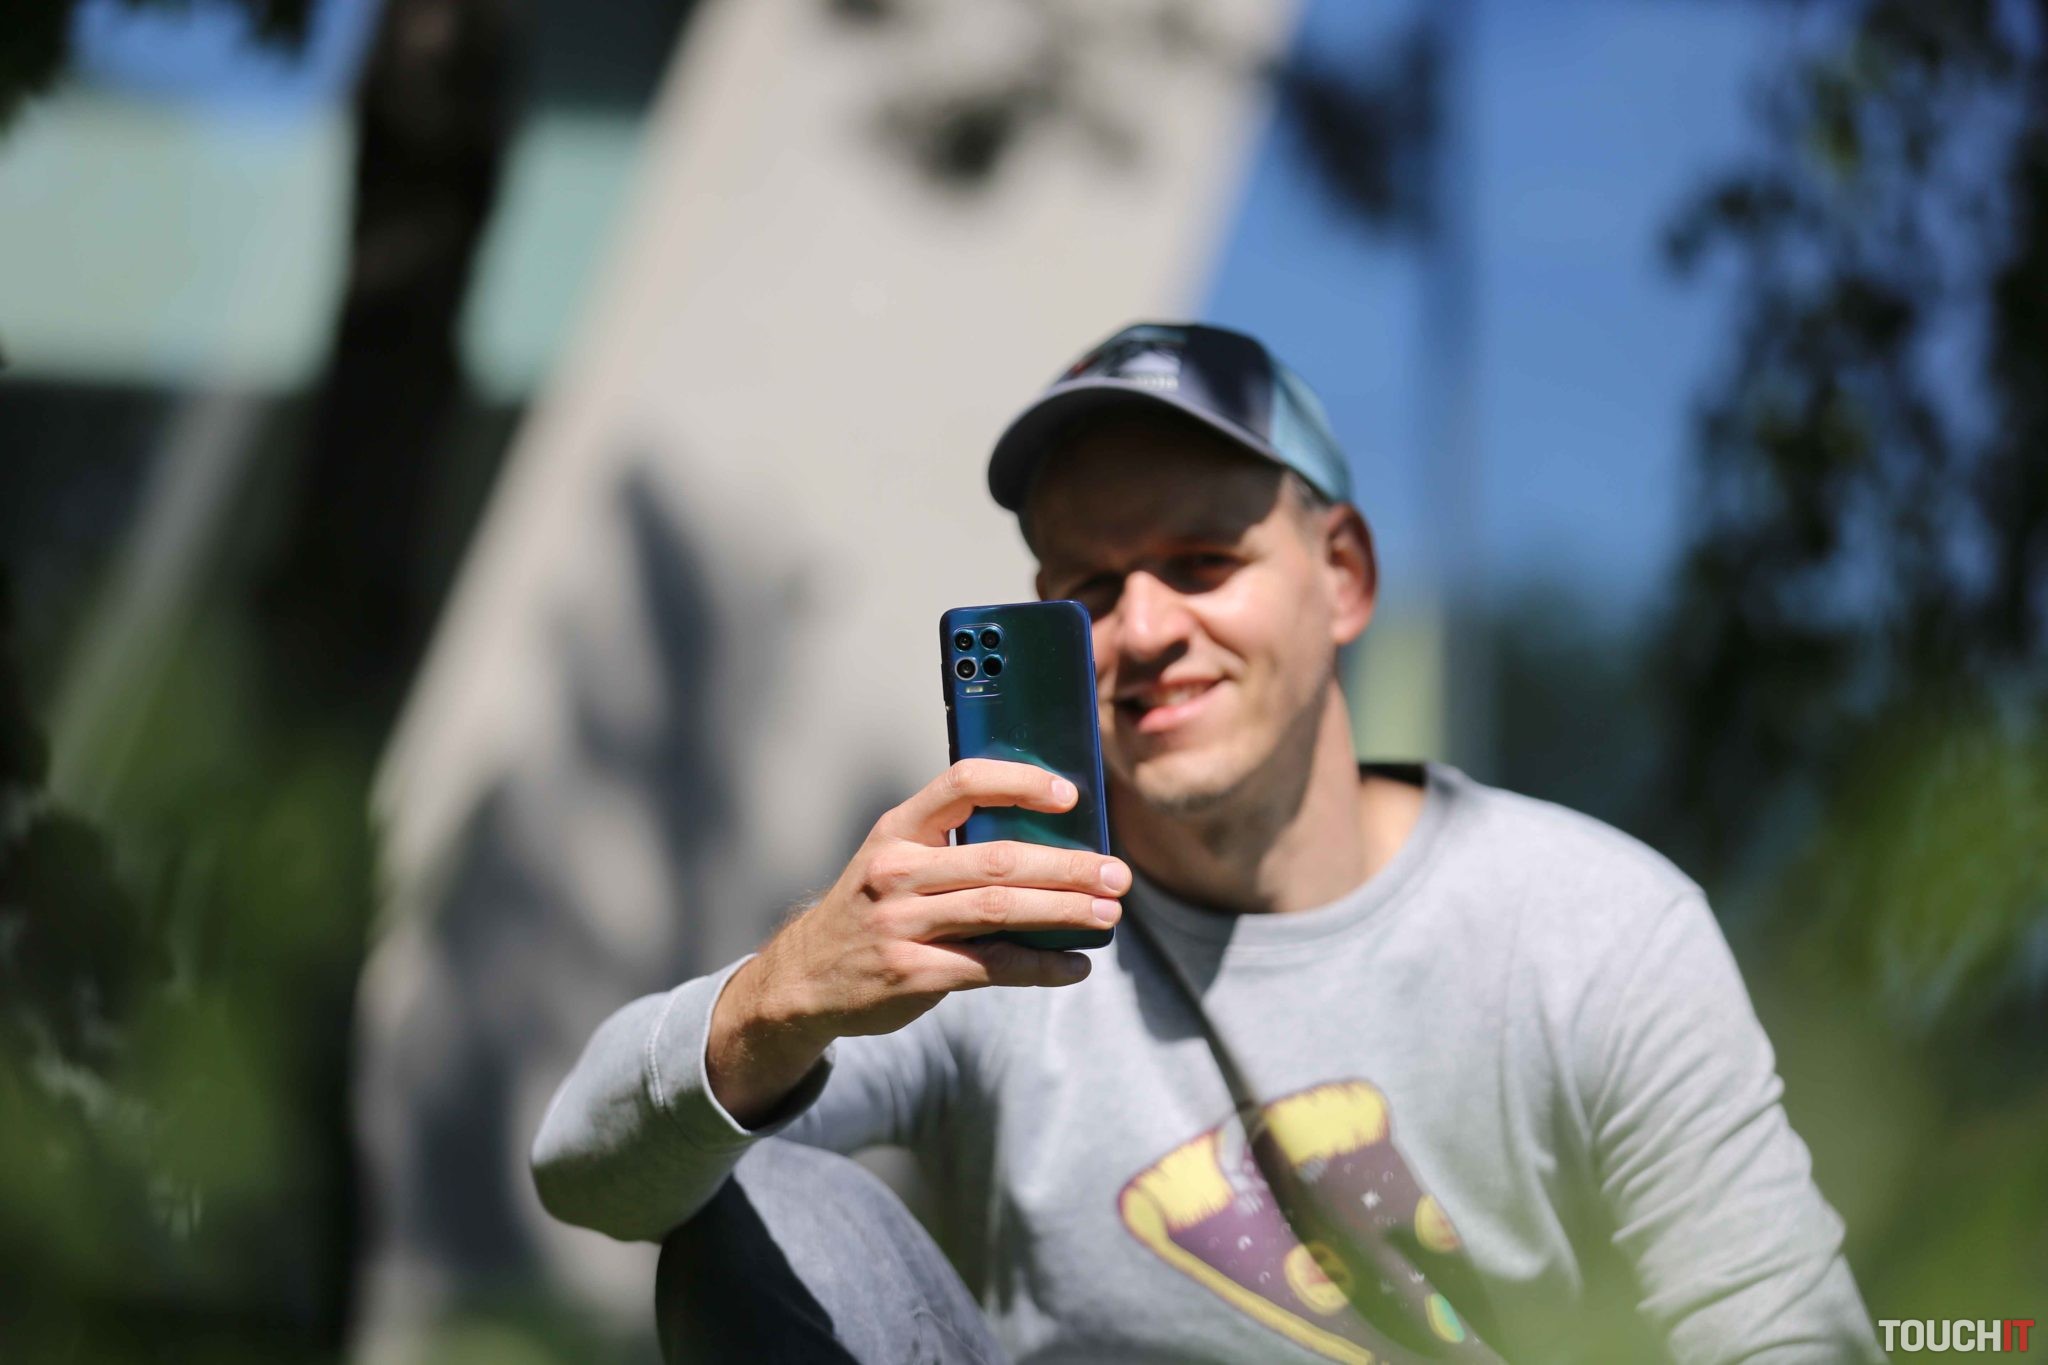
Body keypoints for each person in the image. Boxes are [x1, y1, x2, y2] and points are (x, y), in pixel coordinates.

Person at [529, 322, 1884, 1364]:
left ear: (1342, 577)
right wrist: (777, 1001)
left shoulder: (1593, 927)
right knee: (770, 1202)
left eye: (1201, 562)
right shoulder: (996, 931)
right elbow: (586, 1177)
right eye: (1087, 588)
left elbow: (1783, 1334)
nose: (1144, 629)